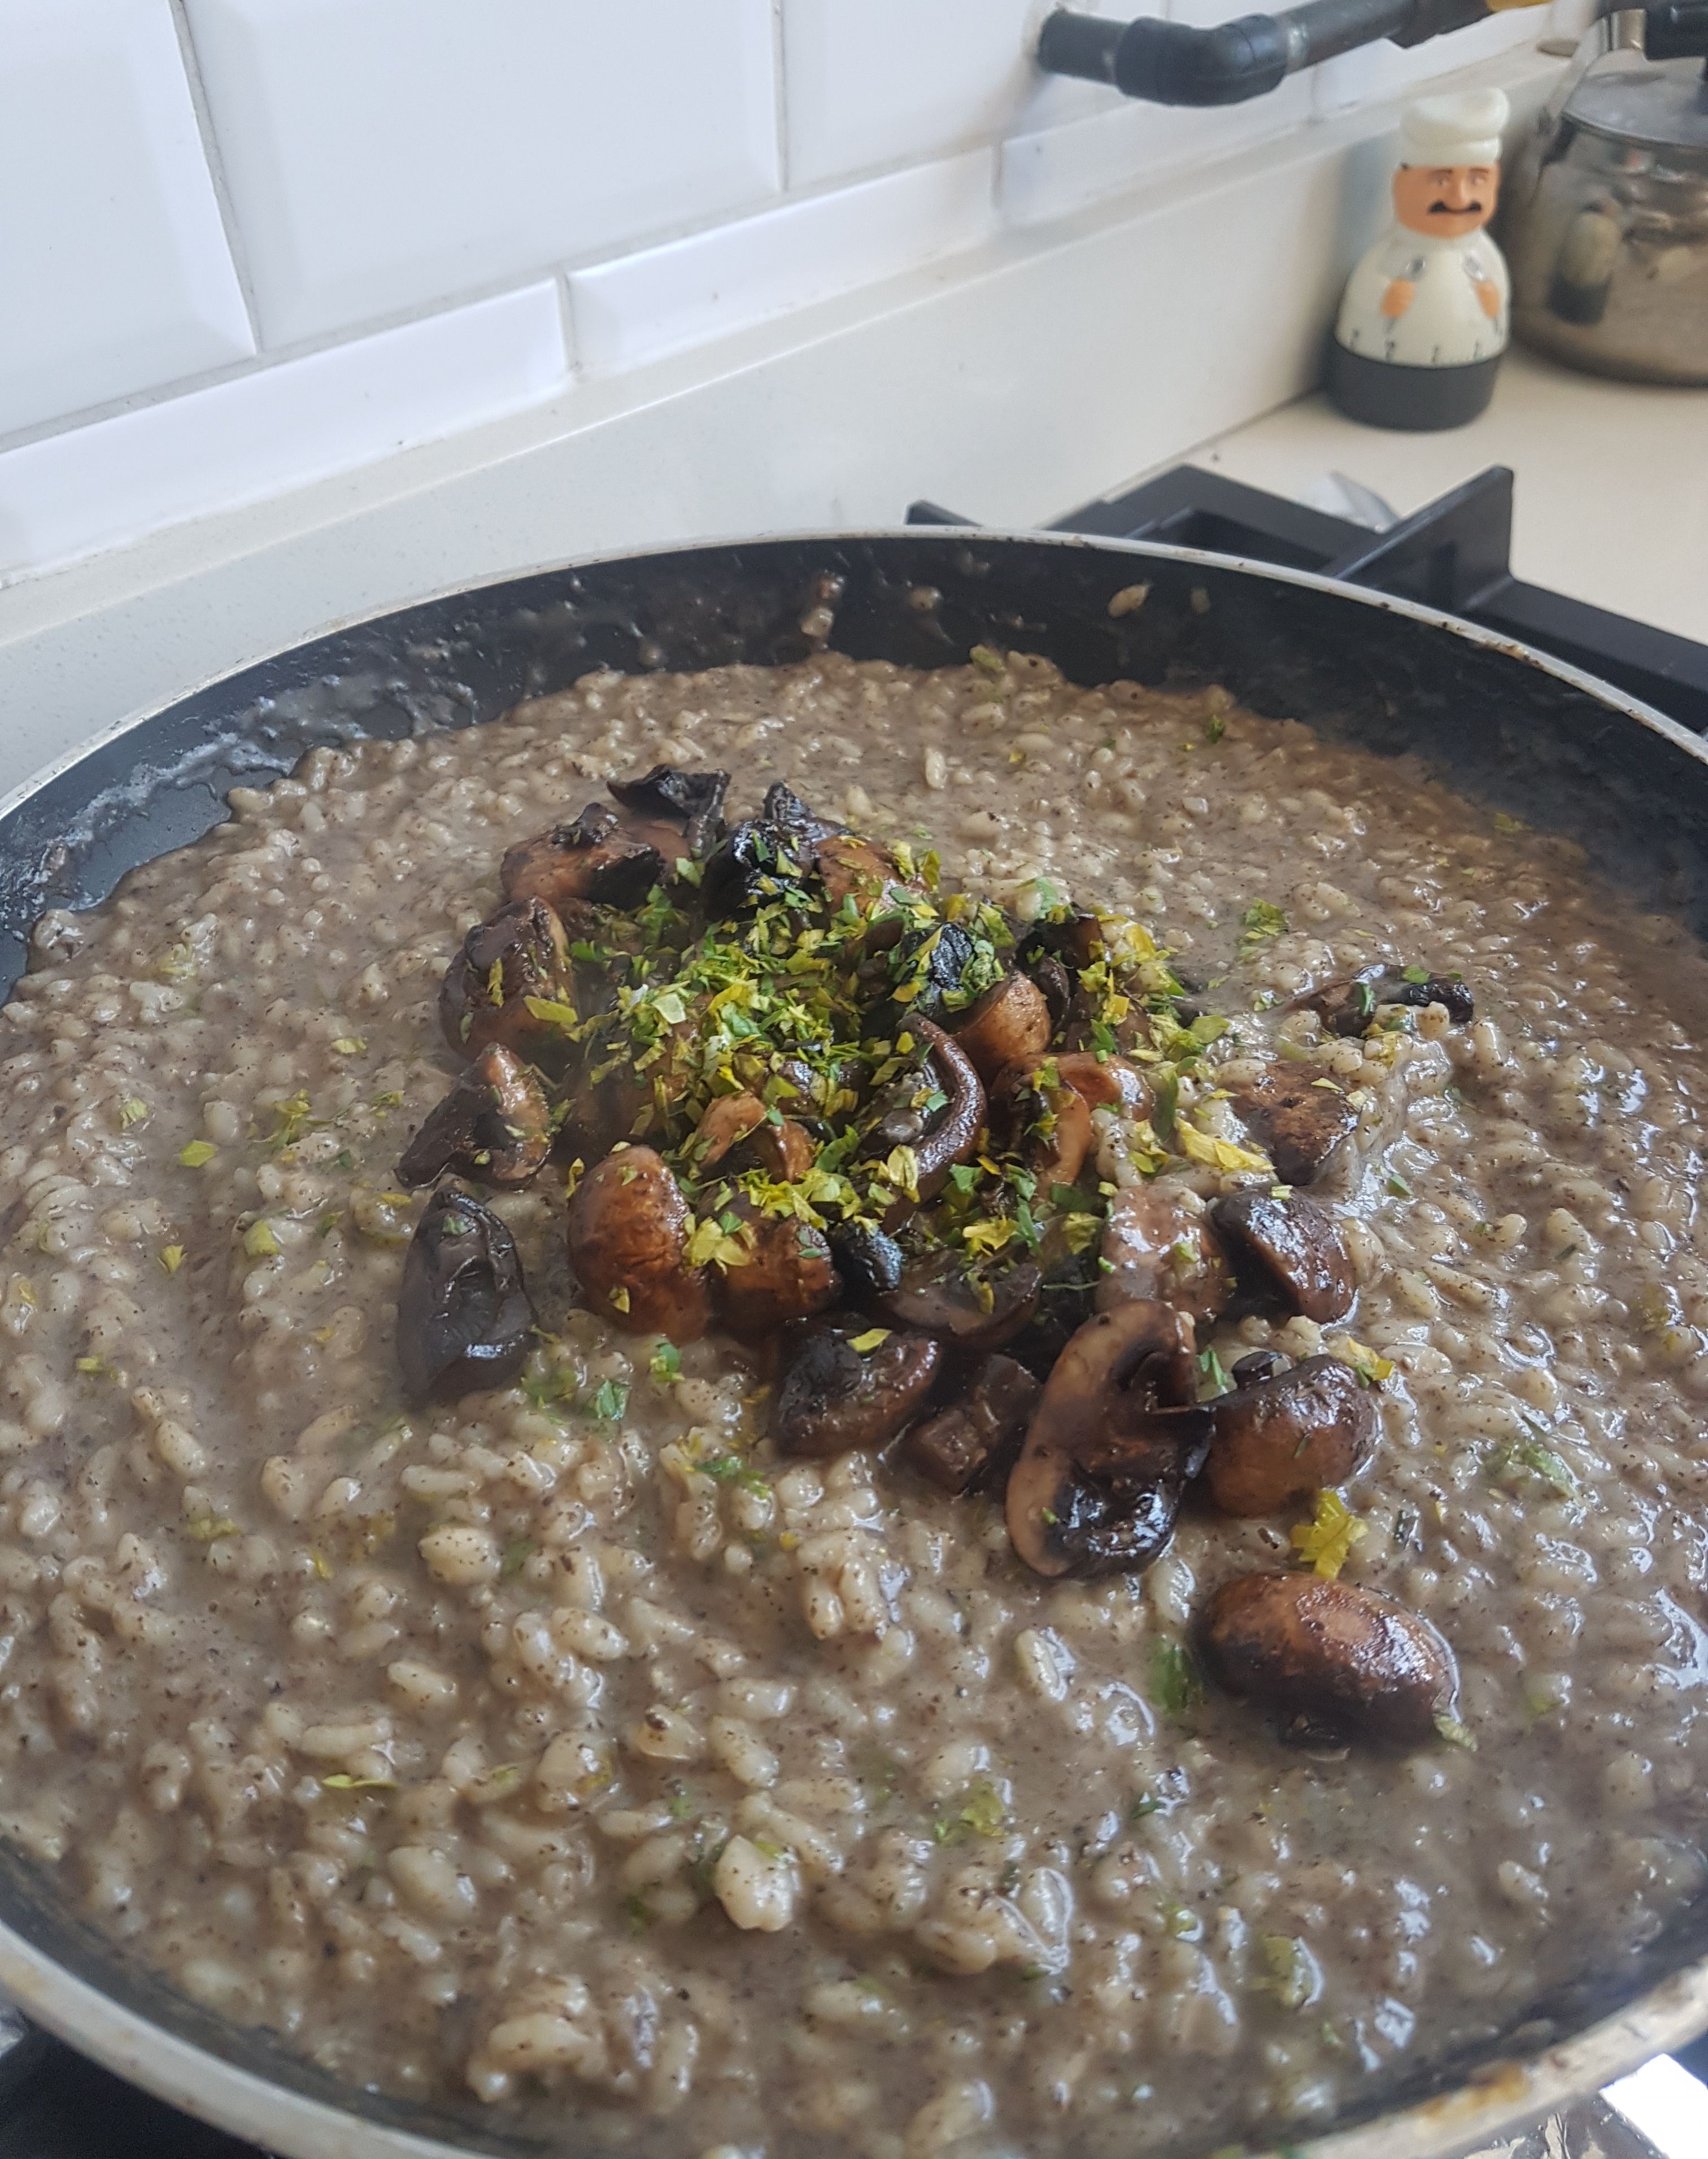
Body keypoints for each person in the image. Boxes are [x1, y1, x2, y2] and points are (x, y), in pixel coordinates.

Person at [1327, 88, 1511, 430]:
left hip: (1469, 379)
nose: (1459, 197)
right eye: (1440, 181)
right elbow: (1365, 289)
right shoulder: (1390, 253)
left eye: (1477, 180)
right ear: (1403, 185)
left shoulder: (1484, 255)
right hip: (1379, 378)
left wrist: (1492, 295)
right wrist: (1383, 294)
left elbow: (1498, 291)